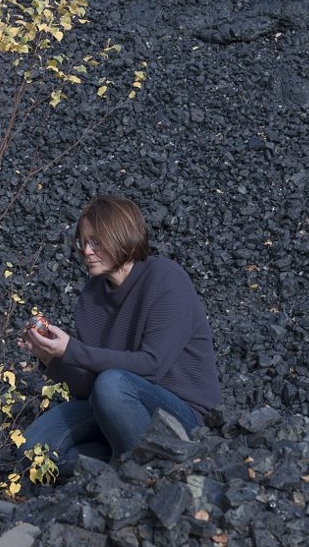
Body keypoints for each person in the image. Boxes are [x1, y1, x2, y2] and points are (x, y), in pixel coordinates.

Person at [17, 195, 221, 477]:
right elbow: (89, 389)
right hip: (117, 408)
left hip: (183, 418)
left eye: (97, 242)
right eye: (83, 242)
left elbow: (152, 366)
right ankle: (126, 469)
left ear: (122, 237)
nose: (87, 251)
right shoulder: (90, 299)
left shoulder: (165, 279)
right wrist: (50, 359)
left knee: (113, 383)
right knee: (33, 450)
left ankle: (155, 472)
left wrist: (71, 350)